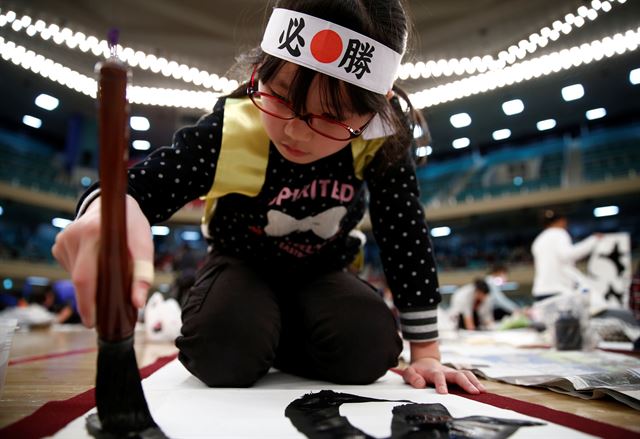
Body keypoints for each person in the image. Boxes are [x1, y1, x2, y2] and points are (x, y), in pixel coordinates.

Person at [52, 0, 484, 394]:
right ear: (257, 71)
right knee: (222, 351)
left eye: (331, 117)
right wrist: (109, 211)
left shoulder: (380, 141)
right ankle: (255, 327)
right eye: (279, 97)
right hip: (241, 263)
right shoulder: (234, 126)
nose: (295, 131)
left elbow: (403, 233)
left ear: (375, 110)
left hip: (323, 269)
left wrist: (426, 354)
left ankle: (271, 332)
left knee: (370, 349)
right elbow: (138, 187)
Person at [531, 210, 600, 301]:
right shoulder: (559, 233)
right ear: (561, 220)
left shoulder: (538, 240)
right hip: (558, 289)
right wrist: (593, 240)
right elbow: (568, 254)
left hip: (540, 290)